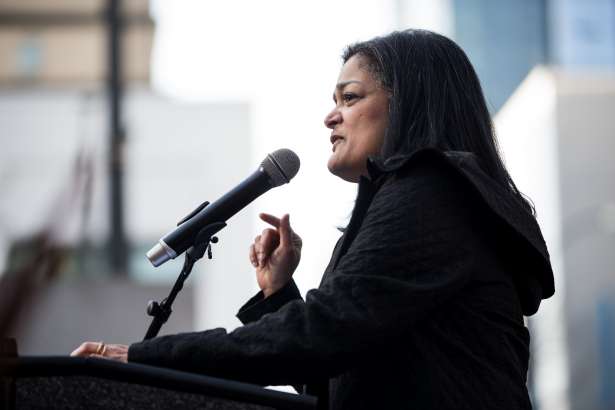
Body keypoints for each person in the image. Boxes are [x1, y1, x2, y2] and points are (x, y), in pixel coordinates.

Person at [72, 29, 555, 409]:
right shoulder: (415, 202)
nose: (330, 117)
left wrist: (140, 357)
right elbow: (329, 381)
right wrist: (279, 293)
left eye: (349, 98)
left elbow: (323, 335)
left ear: (406, 104)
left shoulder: (433, 192)